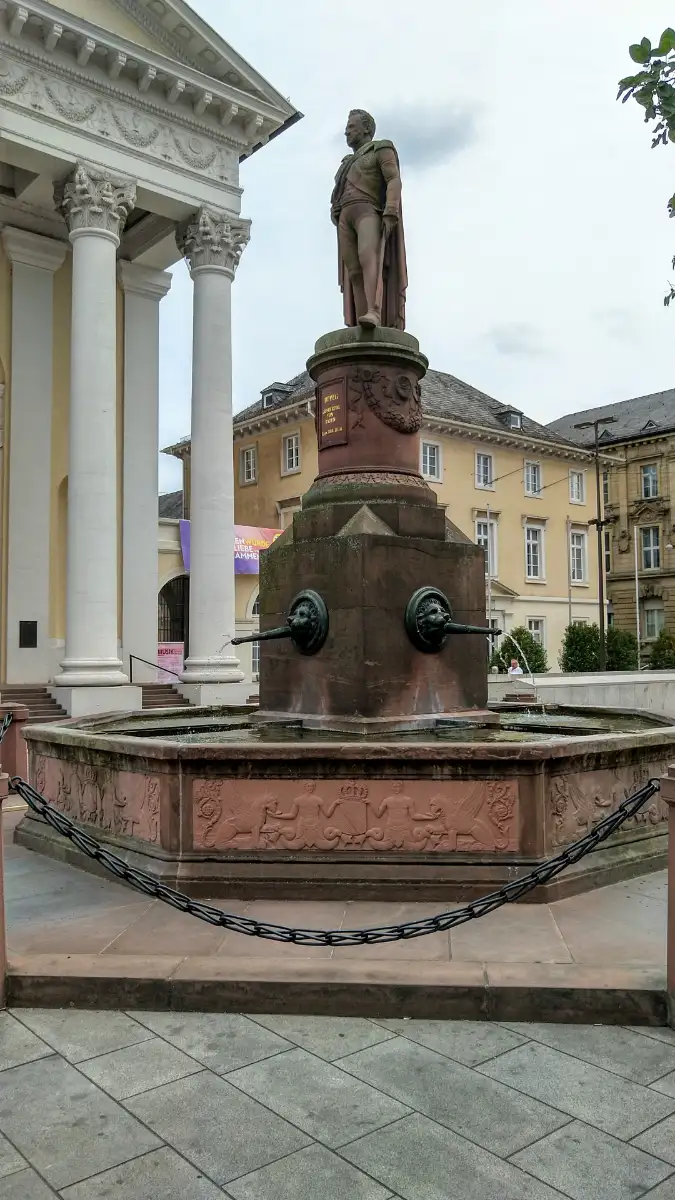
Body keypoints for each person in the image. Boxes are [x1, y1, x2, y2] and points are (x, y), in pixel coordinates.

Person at [330, 108, 407, 330]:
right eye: (346, 128)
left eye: (351, 127)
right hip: (345, 216)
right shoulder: (346, 163)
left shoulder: (381, 149)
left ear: (366, 128)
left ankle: (375, 311)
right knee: (353, 270)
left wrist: (391, 209)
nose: (346, 132)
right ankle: (361, 317)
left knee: (368, 258)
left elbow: (393, 179)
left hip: (367, 210)